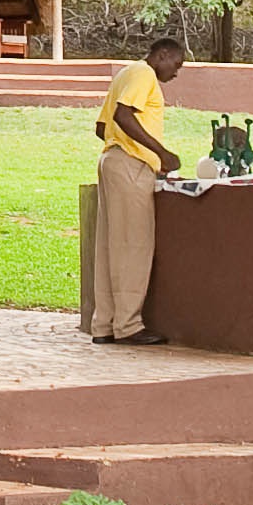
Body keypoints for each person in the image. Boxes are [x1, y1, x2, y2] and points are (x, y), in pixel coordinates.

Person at [85, 39, 186, 344]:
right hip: (130, 165)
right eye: (176, 65)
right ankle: (128, 325)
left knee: (110, 245)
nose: (176, 73)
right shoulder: (144, 74)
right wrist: (161, 153)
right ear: (162, 54)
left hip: (110, 159)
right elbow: (123, 116)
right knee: (133, 244)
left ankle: (103, 324)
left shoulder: (124, 73)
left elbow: (102, 128)